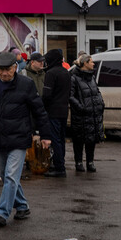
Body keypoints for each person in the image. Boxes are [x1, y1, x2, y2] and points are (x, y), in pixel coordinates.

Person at [0, 52, 52, 227]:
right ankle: (22, 205)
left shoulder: (26, 84)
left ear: (15, 68)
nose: (4, 73)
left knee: (10, 176)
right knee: (6, 176)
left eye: (8, 69)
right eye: (1, 70)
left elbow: (39, 111)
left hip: (19, 137)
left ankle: (2, 212)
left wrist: (46, 135)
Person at [68, 54, 105, 172]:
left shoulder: (92, 77)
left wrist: (101, 103)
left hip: (93, 113)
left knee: (91, 139)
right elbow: (71, 96)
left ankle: (90, 162)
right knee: (79, 140)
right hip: (81, 115)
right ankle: (78, 162)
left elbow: (97, 92)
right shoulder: (74, 78)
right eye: (91, 61)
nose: (93, 64)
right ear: (85, 63)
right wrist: (81, 107)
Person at [41, 48, 72, 178]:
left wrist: (43, 108)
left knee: (55, 139)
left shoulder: (51, 73)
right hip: (64, 110)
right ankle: (60, 164)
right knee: (60, 138)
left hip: (52, 111)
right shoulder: (66, 72)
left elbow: (47, 95)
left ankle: (59, 167)